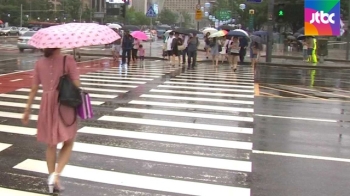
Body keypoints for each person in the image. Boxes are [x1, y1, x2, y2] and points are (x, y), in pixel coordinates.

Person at [22, 48, 80, 193]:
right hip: (64, 103)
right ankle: (56, 175)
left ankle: (51, 176)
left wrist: (27, 109)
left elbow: (34, 88)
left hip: (47, 105)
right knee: (69, 141)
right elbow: (77, 85)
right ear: (59, 46)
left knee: (51, 143)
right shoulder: (68, 60)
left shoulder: (39, 63)